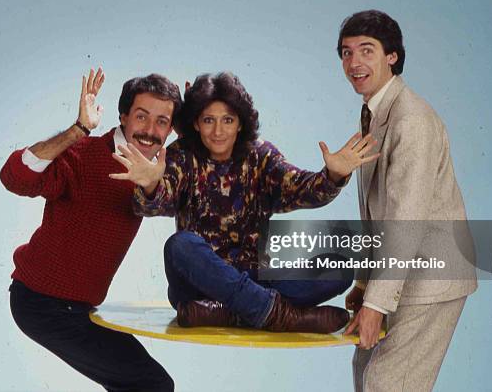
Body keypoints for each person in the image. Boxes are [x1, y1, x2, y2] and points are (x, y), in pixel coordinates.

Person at [110, 72, 379, 333]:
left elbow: (299, 188)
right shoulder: (182, 155)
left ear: (240, 123)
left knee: (340, 268)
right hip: (199, 283)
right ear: (195, 123)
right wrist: (150, 184)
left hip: (255, 276)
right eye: (208, 120)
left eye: (227, 120)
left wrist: (333, 174)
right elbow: (158, 202)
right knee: (180, 246)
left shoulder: (261, 156)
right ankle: (280, 315)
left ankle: (227, 312)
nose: (218, 131)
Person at [0, 67, 181, 392]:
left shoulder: (159, 170)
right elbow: (14, 178)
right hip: (41, 304)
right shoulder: (84, 156)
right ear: (123, 116)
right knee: (151, 385)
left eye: (162, 122)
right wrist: (78, 129)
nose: (151, 130)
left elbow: (174, 197)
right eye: (142, 117)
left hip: (78, 308)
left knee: (146, 384)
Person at [337, 10, 478, 391]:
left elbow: (405, 219)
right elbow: (376, 214)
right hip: (403, 272)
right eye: (347, 53)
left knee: (385, 384)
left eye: (367, 51)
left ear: (392, 56)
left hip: (432, 276)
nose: (355, 63)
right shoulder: (375, 112)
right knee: (365, 373)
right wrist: (366, 284)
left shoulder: (410, 120)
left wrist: (377, 304)